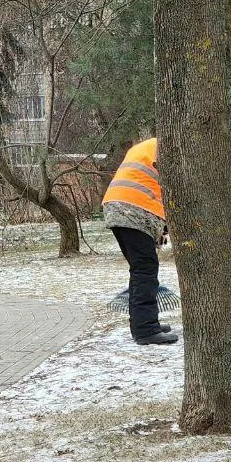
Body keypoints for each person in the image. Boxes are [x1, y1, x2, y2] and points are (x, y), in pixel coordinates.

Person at [102, 137, 178, 345]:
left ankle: (142, 323)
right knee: (145, 269)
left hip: (116, 207)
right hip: (134, 209)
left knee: (140, 269)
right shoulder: (172, 147)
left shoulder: (149, 146)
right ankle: (146, 330)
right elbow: (175, 189)